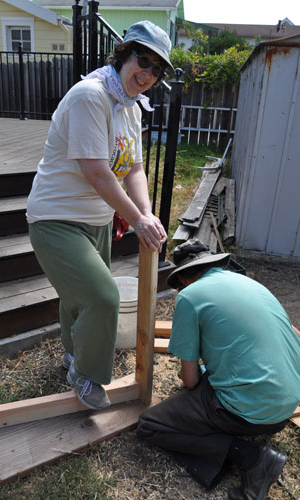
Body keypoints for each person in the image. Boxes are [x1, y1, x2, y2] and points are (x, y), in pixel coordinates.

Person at [26, 21, 171, 411]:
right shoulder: (91, 96)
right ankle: (86, 375)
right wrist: (136, 220)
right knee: (103, 297)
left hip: (96, 220)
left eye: (157, 70)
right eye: (143, 60)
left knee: (79, 296)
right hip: (55, 218)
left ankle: (72, 356)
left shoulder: (131, 107)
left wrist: (146, 213)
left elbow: (134, 169)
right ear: (124, 52)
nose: (148, 74)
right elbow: (96, 171)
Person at [137, 239, 300, 500]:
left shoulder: (189, 296)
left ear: (184, 279)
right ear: (214, 263)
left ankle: (252, 458)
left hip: (250, 413)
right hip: (287, 405)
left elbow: (189, 380)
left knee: (150, 425)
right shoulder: (252, 284)